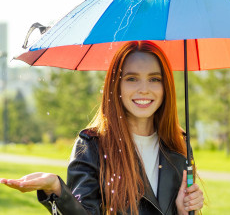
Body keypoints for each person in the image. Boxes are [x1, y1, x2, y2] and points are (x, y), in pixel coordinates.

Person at [0, 41, 204, 215]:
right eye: (132, 78)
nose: (144, 89)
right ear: (116, 85)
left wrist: (184, 210)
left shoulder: (179, 145)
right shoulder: (92, 145)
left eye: (154, 79)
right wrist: (57, 189)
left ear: (166, 85)